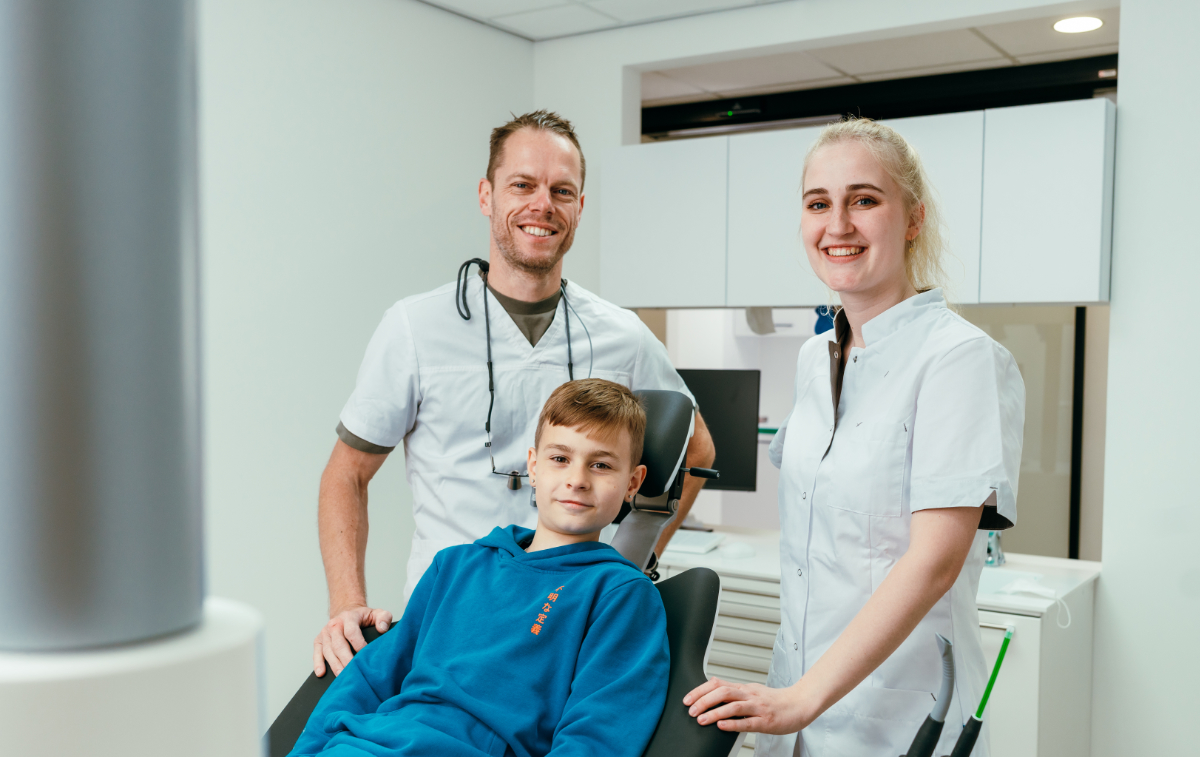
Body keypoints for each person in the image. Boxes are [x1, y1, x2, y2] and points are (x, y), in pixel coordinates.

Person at [314, 110, 715, 677]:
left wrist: (629, 563)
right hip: (446, 626)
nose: (542, 205)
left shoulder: (622, 335)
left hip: (572, 628)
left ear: (580, 207)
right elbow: (346, 475)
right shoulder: (414, 328)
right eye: (523, 185)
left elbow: (695, 450)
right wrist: (346, 605)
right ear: (487, 195)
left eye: (562, 191)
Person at [683, 118, 1025, 757]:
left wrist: (803, 697)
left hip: (900, 719)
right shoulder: (814, 359)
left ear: (913, 219)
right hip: (795, 710)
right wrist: (793, 698)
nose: (837, 225)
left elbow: (935, 560)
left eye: (864, 200)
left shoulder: (959, 359)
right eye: (819, 204)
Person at [289, 379, 670, 757]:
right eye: (560, 459)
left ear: (632, 482)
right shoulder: (455, 566)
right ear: (533, 466)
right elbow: (368, 680)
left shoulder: (620, 595)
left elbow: (599, 737)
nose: (577, 480)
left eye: (601, 465)